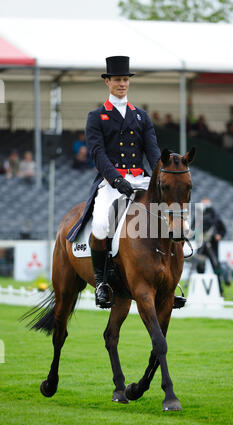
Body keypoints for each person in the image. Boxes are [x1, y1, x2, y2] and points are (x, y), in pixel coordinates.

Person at [67, 56, 161, 308]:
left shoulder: (141, 117)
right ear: (108, 82)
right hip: (111, 182)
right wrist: (116, 179)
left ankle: (169, 278)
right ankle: (101, 283)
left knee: (168, 215)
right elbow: (97, 153)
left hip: (141, 179)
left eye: (125, 79)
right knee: (100, 225)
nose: (122, 83)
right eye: (117, 79)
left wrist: (159, 177)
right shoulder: (96, 116)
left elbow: (153, 152)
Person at [193, 198, 227, 295]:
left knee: (216, 267)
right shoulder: (198, 216)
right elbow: (192, 228)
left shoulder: (216, 216)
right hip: (201, 246)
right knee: (199, 267)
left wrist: (219, 235)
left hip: (212, 246)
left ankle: (220, 290)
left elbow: (223, 230)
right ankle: (200, 290)